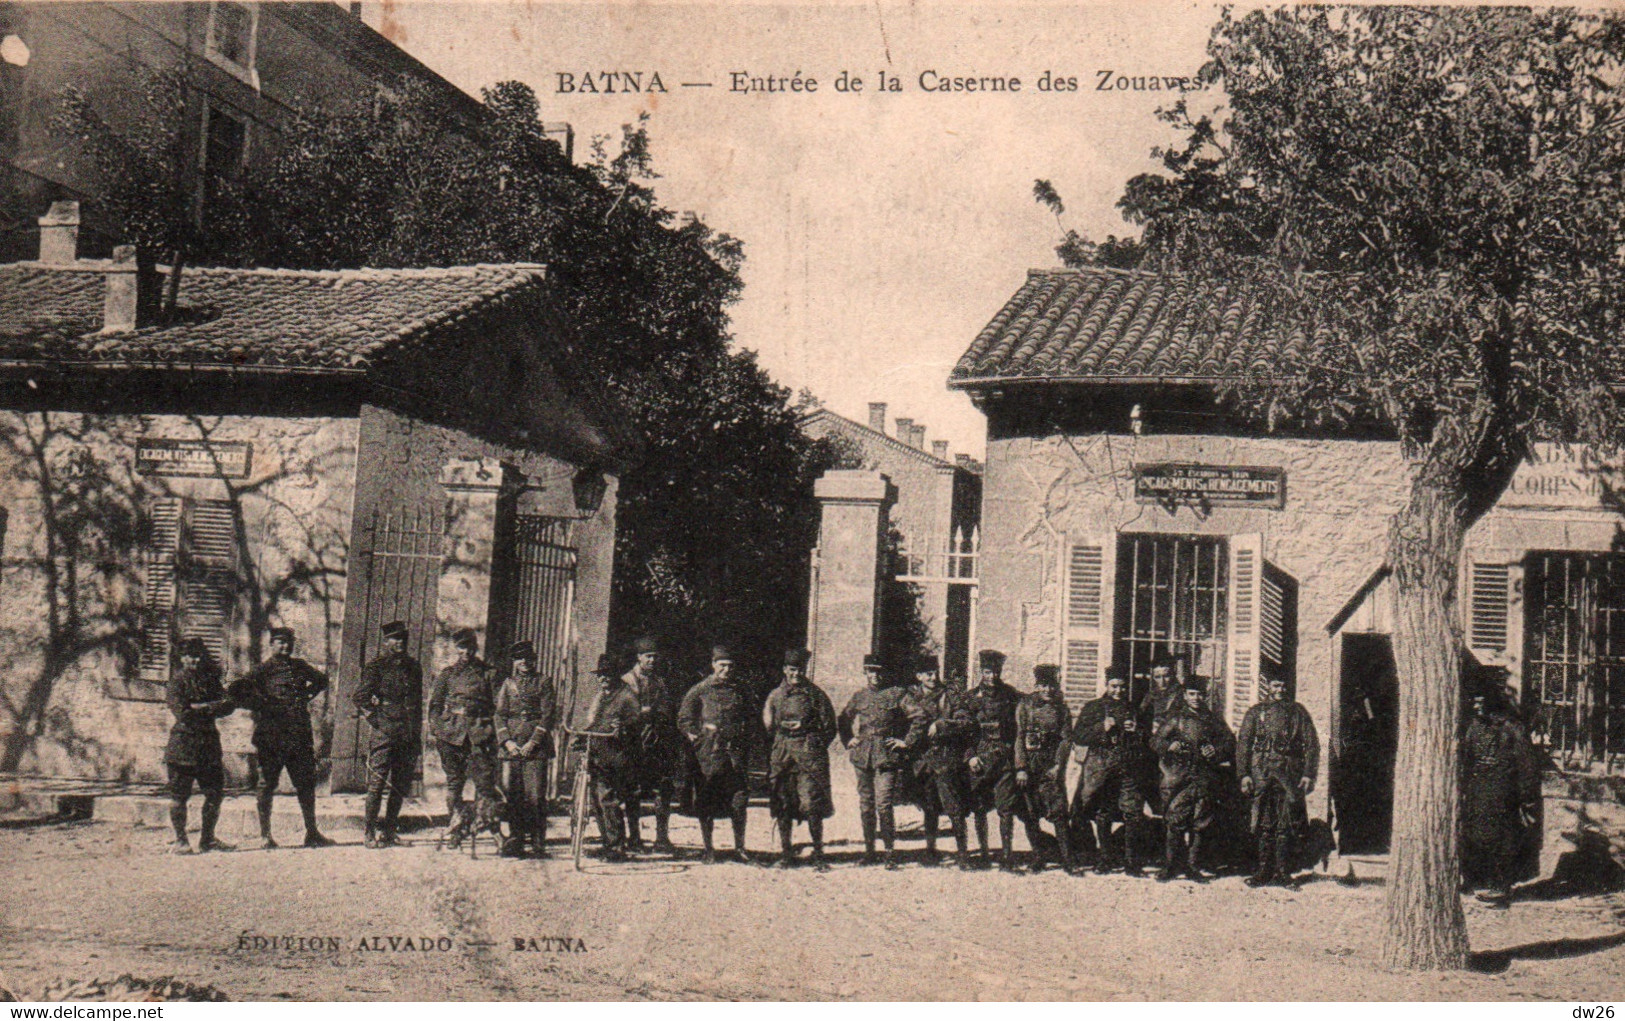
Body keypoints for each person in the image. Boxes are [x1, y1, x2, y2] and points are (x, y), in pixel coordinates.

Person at [228, 627, 334, 849]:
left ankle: (312, 832)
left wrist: (307, 694)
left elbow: (322, 680)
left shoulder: (299, 666)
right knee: (266, 785)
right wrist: (260, 705)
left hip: (298, 736)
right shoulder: (262, 670)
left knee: (306, 784)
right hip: (272, 738)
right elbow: (236, 690)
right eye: (280, 642)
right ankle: (265, 835)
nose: (285, 647)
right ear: (272, 645)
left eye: (288, 643)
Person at [1460, 678, 1541, 907]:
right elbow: (1466, 761)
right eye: (1475, 702)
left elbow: (1527, 767)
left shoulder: (1512, 728)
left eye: (1481, 702)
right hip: (1478, 791)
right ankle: (1476, 881)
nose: (1477, 706)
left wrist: (1527, 799)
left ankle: (1500, 886)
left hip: (1504, 792)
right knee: (1475, 836)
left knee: (1503, 841)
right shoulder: (1473, 728)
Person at [1237, 674, 1319, 887]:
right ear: (1268, 686)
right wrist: (1244, 774)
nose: (1280, 689)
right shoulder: (1255, 712)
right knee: (1264, 824)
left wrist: (1308, 774)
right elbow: (1244, 744)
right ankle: (1263, 872)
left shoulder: (1298, 712)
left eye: (1283, 684)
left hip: (1288, 774)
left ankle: (1283, 872)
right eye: (1276, 684)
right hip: (1261, 774)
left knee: (1286, 823)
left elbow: (1312, 745)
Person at [1152, 675, 1235, 882]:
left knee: (1201, 821)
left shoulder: (1213, 719)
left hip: (1205, 776)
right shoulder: (1175, 718)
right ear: (1185, 695)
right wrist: (1168, 747)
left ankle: (1192, 866)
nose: (1196, 698)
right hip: (1180, 776)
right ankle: (1171, 866)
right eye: (1192, 694)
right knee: (1175, 819)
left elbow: (1230, 742)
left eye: (1200, 694)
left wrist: (1216, 750)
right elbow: (1155, 741)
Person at [678, 645, 756, 864]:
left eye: (731, 666)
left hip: (734, 754)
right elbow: (684, 718)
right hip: (709, 754)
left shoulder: (742, 690)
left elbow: (751, 717)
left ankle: (740, 847)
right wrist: (695, 736)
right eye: (722, 665)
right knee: (707, 800)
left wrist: (745, 739)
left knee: (739, 800)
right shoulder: (700, 689)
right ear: (713, 664)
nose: (727, 670)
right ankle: (708, 848)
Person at [1070, 669, 1151, 875]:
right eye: (1114, 686)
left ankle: (1131, 861)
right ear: (1106, 685)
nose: (1118, 691)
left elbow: (1148, 738)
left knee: (1132, 812)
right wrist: (1101, 728)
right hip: (1101, 766)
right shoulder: (1093, 708)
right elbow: (1078, 735)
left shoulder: (1134, 708)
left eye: (1122, 687)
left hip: (1128, 766)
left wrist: (1137, 732)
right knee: (1103, 812)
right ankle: (1105, 858)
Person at [763, 647, 838, 870]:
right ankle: (786, 854)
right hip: (783, 757)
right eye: (792, 669)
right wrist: (782, 735)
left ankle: (818, 854)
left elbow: (829, 727)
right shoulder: (775, 696)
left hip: (808, 759)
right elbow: (768, 726)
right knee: (783, 803)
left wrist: (809, 740)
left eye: (800, 670)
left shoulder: (816, 695)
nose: (796, 674)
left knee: (811, 804)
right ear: (785, 670)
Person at [351, 621, 423, 849]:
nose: (399, 642)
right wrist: (377, 721)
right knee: (377, 784)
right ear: (386, 642)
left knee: (400, 785)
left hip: (408, 733)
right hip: (385, 733)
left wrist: (416, 733)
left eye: (402, 638)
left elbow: (417, 702)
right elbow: (360, 697)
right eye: (394, 638)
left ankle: (390, 831)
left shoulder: (414, 667)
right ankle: (369, 831)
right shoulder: (377, 667)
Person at [427, 628, 498, 850]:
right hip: (452, 735)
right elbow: (435, 707)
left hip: (479, 734)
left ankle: (483, 826)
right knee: (454, 784)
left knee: (485, 785)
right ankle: (455, 828)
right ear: (456, 649)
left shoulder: (488, 674)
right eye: (461, 647)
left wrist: (490, 732)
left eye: (469, 646)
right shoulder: (447, 675)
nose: (465, 651)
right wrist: (440, 731)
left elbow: (498, 707)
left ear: (475, 647)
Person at [901, 654, 974, 867]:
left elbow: (965, 721)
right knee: (929, 806)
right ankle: (930, 850)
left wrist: (942, 725)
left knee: (953, 807)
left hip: (946, 759)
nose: (933, 677)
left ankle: (963, 854)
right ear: (919, 676)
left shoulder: (950, 695)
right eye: (927, 674)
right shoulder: (911, 697)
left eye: (934, 673)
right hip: (922, 761)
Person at [164, 637, 235, 855]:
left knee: (214, 794)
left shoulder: (210, 680)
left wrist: (200, 706)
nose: (192, 660)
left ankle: (208, 839)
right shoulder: (176, 682)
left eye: (196, 655)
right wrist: (210, 707)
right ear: (181, 658)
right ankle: (181, 840)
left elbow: (229, 704)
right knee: (179, 795)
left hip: (208, 746)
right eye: (187, 656)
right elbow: (182, 713)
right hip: (183, 746)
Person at [838, 653, 910, 868]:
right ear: (865, 673)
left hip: (886, 756)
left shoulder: (897, 694)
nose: (875, 676)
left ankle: (889, 852)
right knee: (866, 805)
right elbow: (843, 718)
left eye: (878, 671)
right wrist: (848, 739)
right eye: (871, 671)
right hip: (862, 756)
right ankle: (869, 851)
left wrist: (905, 741)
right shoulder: (859, 696)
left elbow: (919, 717)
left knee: (884, 804)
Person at [963, 649, 1026, 871]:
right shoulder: (970, 698)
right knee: (979, 808)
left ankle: (1007, 858)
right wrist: (970, 756)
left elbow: (1023, 721)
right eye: (988, 672)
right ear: (982, 671)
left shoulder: (1011, 695)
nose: (992, 677)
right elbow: (965, 732)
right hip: (979, 759)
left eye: (996, 672)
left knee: (1005, 808)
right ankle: (983, 853)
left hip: (1004, 759)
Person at [495, 640, 558, 858]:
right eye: (519, 659)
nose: (524, 663)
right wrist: (507, 742)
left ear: (534, 660)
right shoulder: (508, 684)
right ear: (515, 662)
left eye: (528, 658)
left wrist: (533, 742)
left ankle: (538, 843)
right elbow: (499, 714)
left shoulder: (544, 682)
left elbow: (548, 715)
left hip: (535, 748)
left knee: (536, 796)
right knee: (514, 795)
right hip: (512, 747)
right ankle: (516, 840)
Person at [579, 652, 642, 862]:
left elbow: (635, 724)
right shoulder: (601, 696)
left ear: (616, 675)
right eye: (600, 675)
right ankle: (608, 843)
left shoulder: (627, 696)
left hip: (616, 756)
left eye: (607, 674)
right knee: (597, 801)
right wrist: (580, 737)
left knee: (608, 800)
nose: (603, 678)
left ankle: (616, 847)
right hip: (598, 754)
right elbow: (593, 723)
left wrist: (621, 728)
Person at [623, 636, 682, 854]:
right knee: (633, 791)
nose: (652, 661)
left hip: (656, 742)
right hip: (634, 743)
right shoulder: (626, 681)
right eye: (648, 656)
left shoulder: (660, 682)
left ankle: (661, 837)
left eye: (655, 657)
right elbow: (622, 711)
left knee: (663, 789)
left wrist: (660, 717)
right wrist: (640, 713)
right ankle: (634, 837)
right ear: (639, 657)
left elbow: (668, 708)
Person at [1014, 663, 1073, 873]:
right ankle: (1038, 857)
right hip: (1030, 764)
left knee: (1059, 812)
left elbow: (1066, 740)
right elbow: (1019, 737)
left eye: (1051, 686)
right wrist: (1020, 767)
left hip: (1050, 765)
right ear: (1037, 685)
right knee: (1030, 813)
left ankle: (1068, 860)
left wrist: (1059, 764)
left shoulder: (1062, 708)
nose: (1047, 690)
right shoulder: (1025, 705)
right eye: (1043, 685)